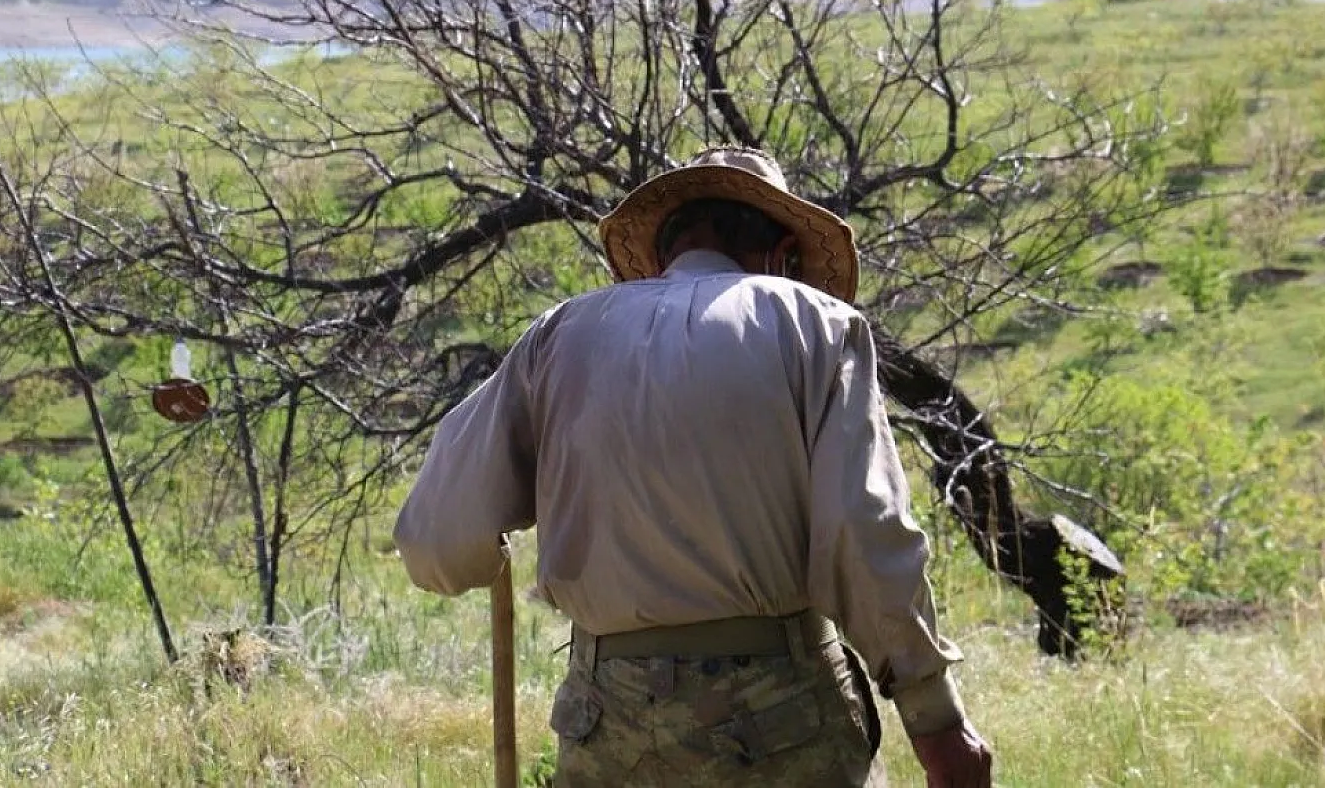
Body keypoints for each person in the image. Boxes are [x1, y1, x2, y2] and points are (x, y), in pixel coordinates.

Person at [393, 146, 993, 787]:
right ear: (783, 252)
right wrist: (935, 719)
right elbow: (863, 531)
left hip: (605, 722)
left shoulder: (558, 335)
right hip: (780, 720)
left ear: (663, 250)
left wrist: (485, 554)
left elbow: (436, 540)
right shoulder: (816, 324)